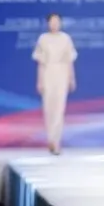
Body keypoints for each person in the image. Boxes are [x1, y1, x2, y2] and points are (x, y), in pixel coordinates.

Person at [32, 13, 77, 155]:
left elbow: (70, 61)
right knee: (48, 108)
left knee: (59, 109)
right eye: (52, 21)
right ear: (48, 23)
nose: (54, 24)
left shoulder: (66, 38)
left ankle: (56, 141)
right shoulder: (43, 39)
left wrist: (71, 78)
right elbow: (40, 63)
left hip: (62, 74)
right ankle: (50, 138)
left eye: (57, 21)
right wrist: (39, 81)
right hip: (48, 74)